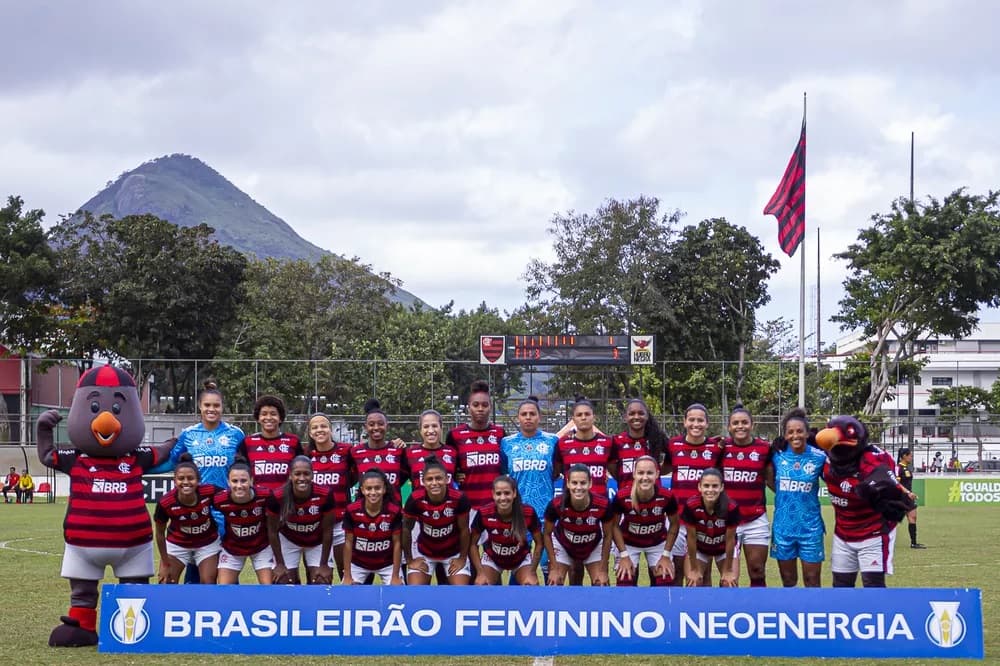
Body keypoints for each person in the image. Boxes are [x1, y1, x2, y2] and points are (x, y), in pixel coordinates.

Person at [159, 380, 245, 583]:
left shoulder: (235, 434)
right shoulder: (189, 435)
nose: (211, 409)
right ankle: (192, 609)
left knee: (224, 569)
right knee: (194, 564)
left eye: (216, 405)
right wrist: (140, 467)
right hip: (196, 511)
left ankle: (227, 610)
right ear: (200, 406)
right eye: (207, 405)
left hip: (226, 511)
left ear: (223, 407)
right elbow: (172, 462)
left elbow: (246, 467)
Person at [662, 403, 725, 585]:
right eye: (691, 420)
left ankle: (702, 611)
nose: (695, 424)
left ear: (707, 423)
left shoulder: (715, 449)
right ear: (684, 422)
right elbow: (663, 468)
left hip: (705, 522)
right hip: (678, 521)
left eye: (700, 420)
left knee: (703, 573)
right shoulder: (673, 445)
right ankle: (677, 611)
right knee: (676, 570)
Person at [770, 407, 827, 587]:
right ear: (785, 435)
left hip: (810, 529)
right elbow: (769, 480)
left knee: (812, 581)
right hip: (783, 528)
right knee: (788, 581)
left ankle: (813, 613)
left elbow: (834, 479)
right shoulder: (777, 455)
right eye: (790, 432)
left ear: (807, 433)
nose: (795, 435)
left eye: (799, 431)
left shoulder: (819, 457)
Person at [721, 405, 773, 587]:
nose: (740, 426)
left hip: (755, 519)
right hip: (727, 521)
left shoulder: (764, 449)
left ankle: (758, 609)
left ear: (752, 424)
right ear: (729, 427)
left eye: (744, 422)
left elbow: (770, 479)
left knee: (757, 569)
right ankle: (726, 612)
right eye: (735, 423)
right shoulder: (721, 447)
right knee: (729, 577)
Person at [402, 457, 472, 585]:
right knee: (414, 592)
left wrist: (462, 558)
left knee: (461, 593)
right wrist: (410, 560)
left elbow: (464, 530)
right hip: (424, 551)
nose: (434, 483)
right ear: (423, 481)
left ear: (447, 479)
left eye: (438, 478)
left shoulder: (459, 498)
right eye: (429, 479)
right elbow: (406, 529)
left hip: (453, 553)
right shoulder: (415, 499)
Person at [266, 456, 335, 585]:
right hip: (289, 539)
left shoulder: (325, 494)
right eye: (297, 474)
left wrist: (324, 564)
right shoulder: (277, 496)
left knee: (321, 580)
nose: (302, 478)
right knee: (284, 581)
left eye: (306, 474)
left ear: (312, 475)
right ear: (291, 476)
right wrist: (280, 564)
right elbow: (272, 531)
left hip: (316, 541)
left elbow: (328, 530)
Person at [153, 455, 221, 584]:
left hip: (207, 543)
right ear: (174, 480)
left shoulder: (209, 491)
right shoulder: (166, 502)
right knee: (166, 582)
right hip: (177, 545)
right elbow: (160, 533)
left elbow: (230, 500)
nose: (186, 482)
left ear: (198, 480)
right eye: (181, 478)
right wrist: (165, 563)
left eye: (190, 478)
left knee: (208, 583)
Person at [612, 456, 679, 586]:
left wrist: (666, 555)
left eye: (649, 473)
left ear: (657, 474)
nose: (645, 477)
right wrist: (624, 555)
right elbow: (614, 526)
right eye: (640, 473)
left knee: (665, 578)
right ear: (634, 474)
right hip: (629, 543)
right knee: (625, 578)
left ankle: (658, 606)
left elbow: (674, 524)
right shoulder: (622, 496)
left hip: (657, 542)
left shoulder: (667, 496)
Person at [543, 464, 614, 586]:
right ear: (568, 483)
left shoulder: (603, 504)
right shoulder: (556, 504)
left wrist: (603, 569)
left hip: (592, 545)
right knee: (554, 582)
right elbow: (547, 534)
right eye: (574, 483)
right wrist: (554, 568)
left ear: (590, 483)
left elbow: (608, 536)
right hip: (563, 544)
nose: (578, 487)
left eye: (583, 483)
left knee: (601, 583)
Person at [304, 412, 353, 579]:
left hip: (340, 523)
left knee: (346, 574)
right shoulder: (305, 456)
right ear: (310, 433)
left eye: (323, 426)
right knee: (318, 578)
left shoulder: (346, 452)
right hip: (315, 525)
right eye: (315, 427)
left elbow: (354, 477)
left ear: (331, 429)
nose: (320, 430)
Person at [471, 475, 543, 585]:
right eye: (499, 494)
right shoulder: (484, 513)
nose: (503, 498)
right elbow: (472, 544)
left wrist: (532, 571)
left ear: (514, 493)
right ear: (493, 495)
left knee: (531, 585)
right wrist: (480, 572)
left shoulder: (528, 513)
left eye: (507, 493)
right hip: (492, 559)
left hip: (521, 559)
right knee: (482, 586)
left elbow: (539, 543)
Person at [213, 457, 273, 584]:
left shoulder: (265, 496)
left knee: (269, 588)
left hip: (261, 547)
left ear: (251, 481)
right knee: (224, 590)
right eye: (234, 481)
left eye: (243, 481)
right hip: (232, 548)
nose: (239, 485)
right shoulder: (220, 500)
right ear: (228, 482)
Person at [449, 380, 506, 510]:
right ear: (469, 406)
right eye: (476, 405)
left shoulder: (500, 434)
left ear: (490, 407)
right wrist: (455, 474)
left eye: (485, 405)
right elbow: (448, 467)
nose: (480, 409)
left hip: (496, 507)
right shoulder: (455, 435)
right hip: (467, 508)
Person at [342, 469, 403, 585]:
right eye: (369, 488)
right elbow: (348, 543)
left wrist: (395, 576)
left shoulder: (394, 511)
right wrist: (347, 575)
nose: (373, 492)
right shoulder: (351, 510)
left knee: (398, 592)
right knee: (347, 595)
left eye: (377, 488)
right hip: (358, 563)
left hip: (387, 564)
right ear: (362, 490)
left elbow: (397, 544)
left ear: (384, 489)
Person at [681, 468, 739, 587]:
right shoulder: (691, 505)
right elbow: (691, 539)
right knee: (694, 582)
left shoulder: (731, 507)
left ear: (721, 487)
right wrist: (694, 568)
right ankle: (699, 606)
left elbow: (730, 540)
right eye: (706, 486)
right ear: (699, 487)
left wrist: (728, 570)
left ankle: (724, 605)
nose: (710, 490)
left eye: (714, 486)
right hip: (700, 548)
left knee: (729, 583)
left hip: (723, 548)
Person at [236, 395, 302, 493]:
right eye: (264, 414)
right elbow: (240, 473)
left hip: (286, 502)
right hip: (258, 502)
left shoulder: (293, 442)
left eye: (273, 414)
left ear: (280, 418)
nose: (268, 417)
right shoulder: (247, 443)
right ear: (258, 418)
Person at [350, 399, 408, 492]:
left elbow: (404, 477)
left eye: (380, 424)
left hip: (392, 505)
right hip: (364, 506)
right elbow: (349, 480)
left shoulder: (398, 449)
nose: (376, 428)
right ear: (365, 427)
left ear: (387, 426)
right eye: (371, 424)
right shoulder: (355, 452)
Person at [610, 398, 668, 485]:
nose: (636, 417)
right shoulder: (616, 441)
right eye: (632, 414)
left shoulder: (656, 439)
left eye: (641, 413)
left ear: (647, 416)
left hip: (653, 496)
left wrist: (657, 469)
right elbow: (613, 469)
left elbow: (673, 456)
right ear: (625, 417)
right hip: (626, 496)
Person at [405, 409, 458, 491]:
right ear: (420, 430)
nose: (430, 431)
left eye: (434, 426)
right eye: (426, 427)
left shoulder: (453, 453)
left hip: (448, 504)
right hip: (419, 503)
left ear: (441, 428)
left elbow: (459, 476)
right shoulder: (409, 454)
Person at [897, 448, 925, 549]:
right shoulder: (898, 468)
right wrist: (908, 492)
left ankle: (914, 543)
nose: (911, 457)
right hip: (899, 498)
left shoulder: (907, 468)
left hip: (908, 498)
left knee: (913, 517)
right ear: (904, 456)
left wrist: (910, 494)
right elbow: (896, 484)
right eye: (910, 455)